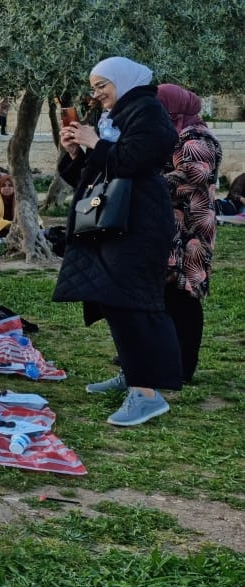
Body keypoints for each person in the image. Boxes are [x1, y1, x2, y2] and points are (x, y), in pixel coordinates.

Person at [54, 56, 180, 427]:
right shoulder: (116, 117)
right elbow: (98, 169)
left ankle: (146, 393)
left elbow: (135, 160)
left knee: (134, 301)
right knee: (114, 299)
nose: (96, 95)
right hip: (115, 220)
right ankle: (132, 371)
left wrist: (95, 142)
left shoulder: (147, 111)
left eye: (101, 85)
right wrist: (77, 151)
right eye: (93, 87)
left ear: (122, 81)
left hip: (139, 220)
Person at [157, 84, 221, 386]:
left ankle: (184, 366)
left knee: (184, 296)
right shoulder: (179, 135)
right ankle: (168, 358)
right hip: (178, 227)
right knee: (169, 295)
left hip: (192, 232)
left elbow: (192, 176)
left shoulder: (196, 138)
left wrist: (144, 180)